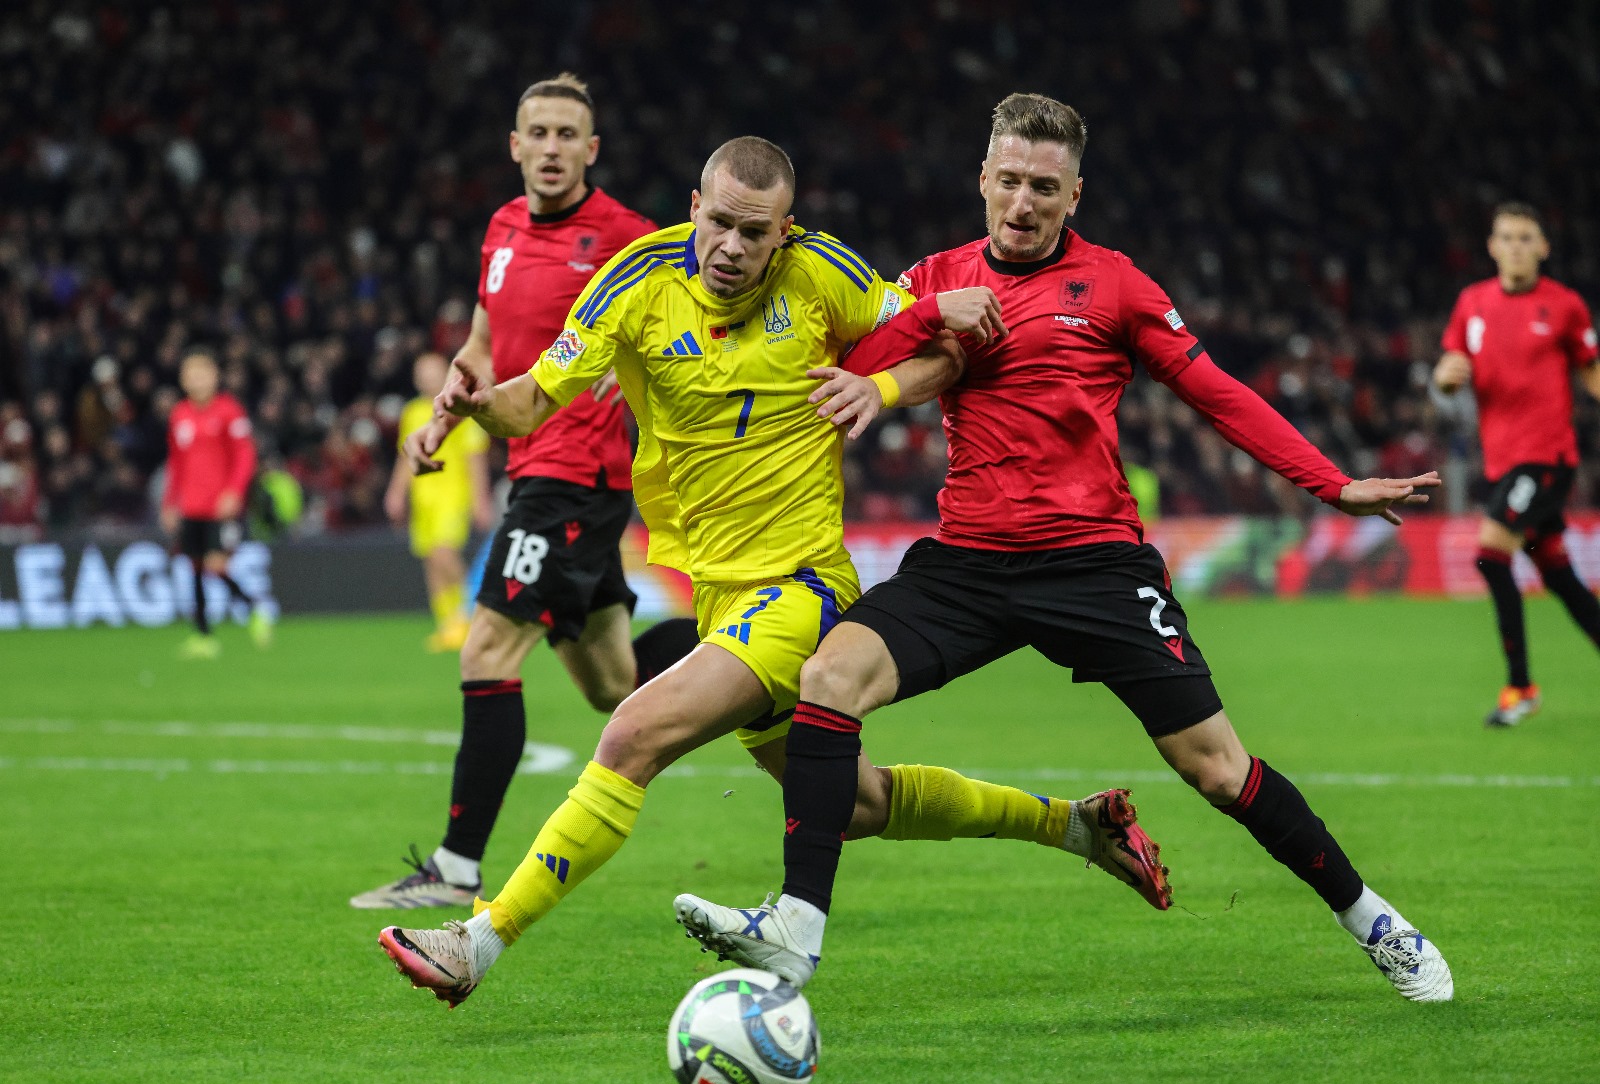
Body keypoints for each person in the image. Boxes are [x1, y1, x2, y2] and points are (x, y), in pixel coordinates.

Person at [677, 93, 1456, 1003]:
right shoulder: (935, 276)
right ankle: (797, 932)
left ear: (1074, 194)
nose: (1023, 203)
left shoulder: (1119, 287)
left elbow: (1218, 394)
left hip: (1095, 566)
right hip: (967, 563)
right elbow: (870, 354)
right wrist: (936, 314)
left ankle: (1374, 920)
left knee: (1215, 768)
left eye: (1044, 187)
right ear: (982, 180)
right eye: (1008, 181)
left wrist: (1333, 483)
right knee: (827, 679)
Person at [375, 135, 1171, 1007]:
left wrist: (880, 389)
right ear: (693, 209)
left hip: (804, 588)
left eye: (755, 233)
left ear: (784, 233)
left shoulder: (826, 273)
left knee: (632, 733)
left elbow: (944, 348)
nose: (731, 247)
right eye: (718, 223)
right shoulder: (636, 281)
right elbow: (532, 397)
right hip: (720, 595)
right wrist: (479, 405)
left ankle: (478, 940)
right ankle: (1076, 827)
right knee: (859, 805)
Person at [352, 75, 704, 910]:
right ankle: (756, 647)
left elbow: (690, 326)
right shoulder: (502, 229)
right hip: (528, 462)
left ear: (591, 149)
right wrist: (443, 418)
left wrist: (644, 378)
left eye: (566, 134)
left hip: (573, 475)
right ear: (515, 146)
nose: (550, 147)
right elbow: (482, 339)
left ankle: (456, 870)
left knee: (486, 651)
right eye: (536, 133)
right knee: (612, 684)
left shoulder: (630, 237)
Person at [1434, 201, 1600, 727]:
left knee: (1491, 553)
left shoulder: (1565, 306)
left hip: (1547, 459)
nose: (1516, 247)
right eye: (1506, 237)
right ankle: (1523, 686)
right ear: (1491, 246)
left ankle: (1520, 687)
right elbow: (1446, 372)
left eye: (1526, 238)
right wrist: (1445, 378)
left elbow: (1592, 372)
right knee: (1561, 577)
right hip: (1502, 463)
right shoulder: (1472, 303)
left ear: (1543, 248)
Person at [161, 348, 270, 658]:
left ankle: (253, 607)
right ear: (183, 380)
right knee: (194, 568)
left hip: (220, 506)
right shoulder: (179, 415)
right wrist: (170, 502)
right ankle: (203, 636)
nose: (196, 381)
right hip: (190, 506)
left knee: (215, 564)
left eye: (202, 374)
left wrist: (234, 492)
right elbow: (176, 463)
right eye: (190, 375)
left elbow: (245, 455)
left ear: (214, 377)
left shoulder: (229, 411)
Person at [384, 352, 494, 653]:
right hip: (424, 497)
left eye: (432, 371)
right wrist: (395, 493)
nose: (426, 378)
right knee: (431, 560)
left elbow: (475, 457)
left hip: (452, 495)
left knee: (445, 555)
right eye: (421, 372)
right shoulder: (412, 411)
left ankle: (469, 616)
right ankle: (448, 625)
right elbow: (406, 455)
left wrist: (480, 500)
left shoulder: (460, 407)